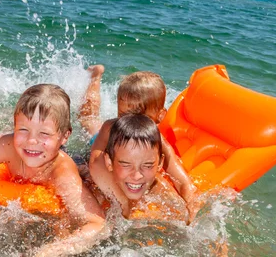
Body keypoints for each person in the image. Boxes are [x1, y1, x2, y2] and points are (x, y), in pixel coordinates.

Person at [0, 84, 106, 257]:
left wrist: (51, 252)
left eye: (44, 133)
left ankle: (94, 84)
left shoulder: (62, 173)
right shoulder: (9, 145)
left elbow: (97, 224)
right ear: (15, 127)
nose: (32, 141)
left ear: (64, 136)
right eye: (23, 130)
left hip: (75, 160)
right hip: (36, 153)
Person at [79, 65, 198, 220]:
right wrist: (123, 202)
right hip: (101, 145)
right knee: (88, 119)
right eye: (123, 115)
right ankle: (96, 76)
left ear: (160, 116)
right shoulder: (110, 127)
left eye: (141, 117)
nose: (131, 124)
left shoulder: (158, 140)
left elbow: (182, 181)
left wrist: (190, 209)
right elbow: (95, 163)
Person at [89, 112, 188, 221]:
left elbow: (184, 217)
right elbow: (95, 163)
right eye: (126, 165)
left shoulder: (160, 190)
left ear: (159, 164)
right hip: (97, 148)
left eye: (147, 166)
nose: (137, 176)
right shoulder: (99, 178)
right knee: (90, 125)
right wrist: (124, 204)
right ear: (109, 163)